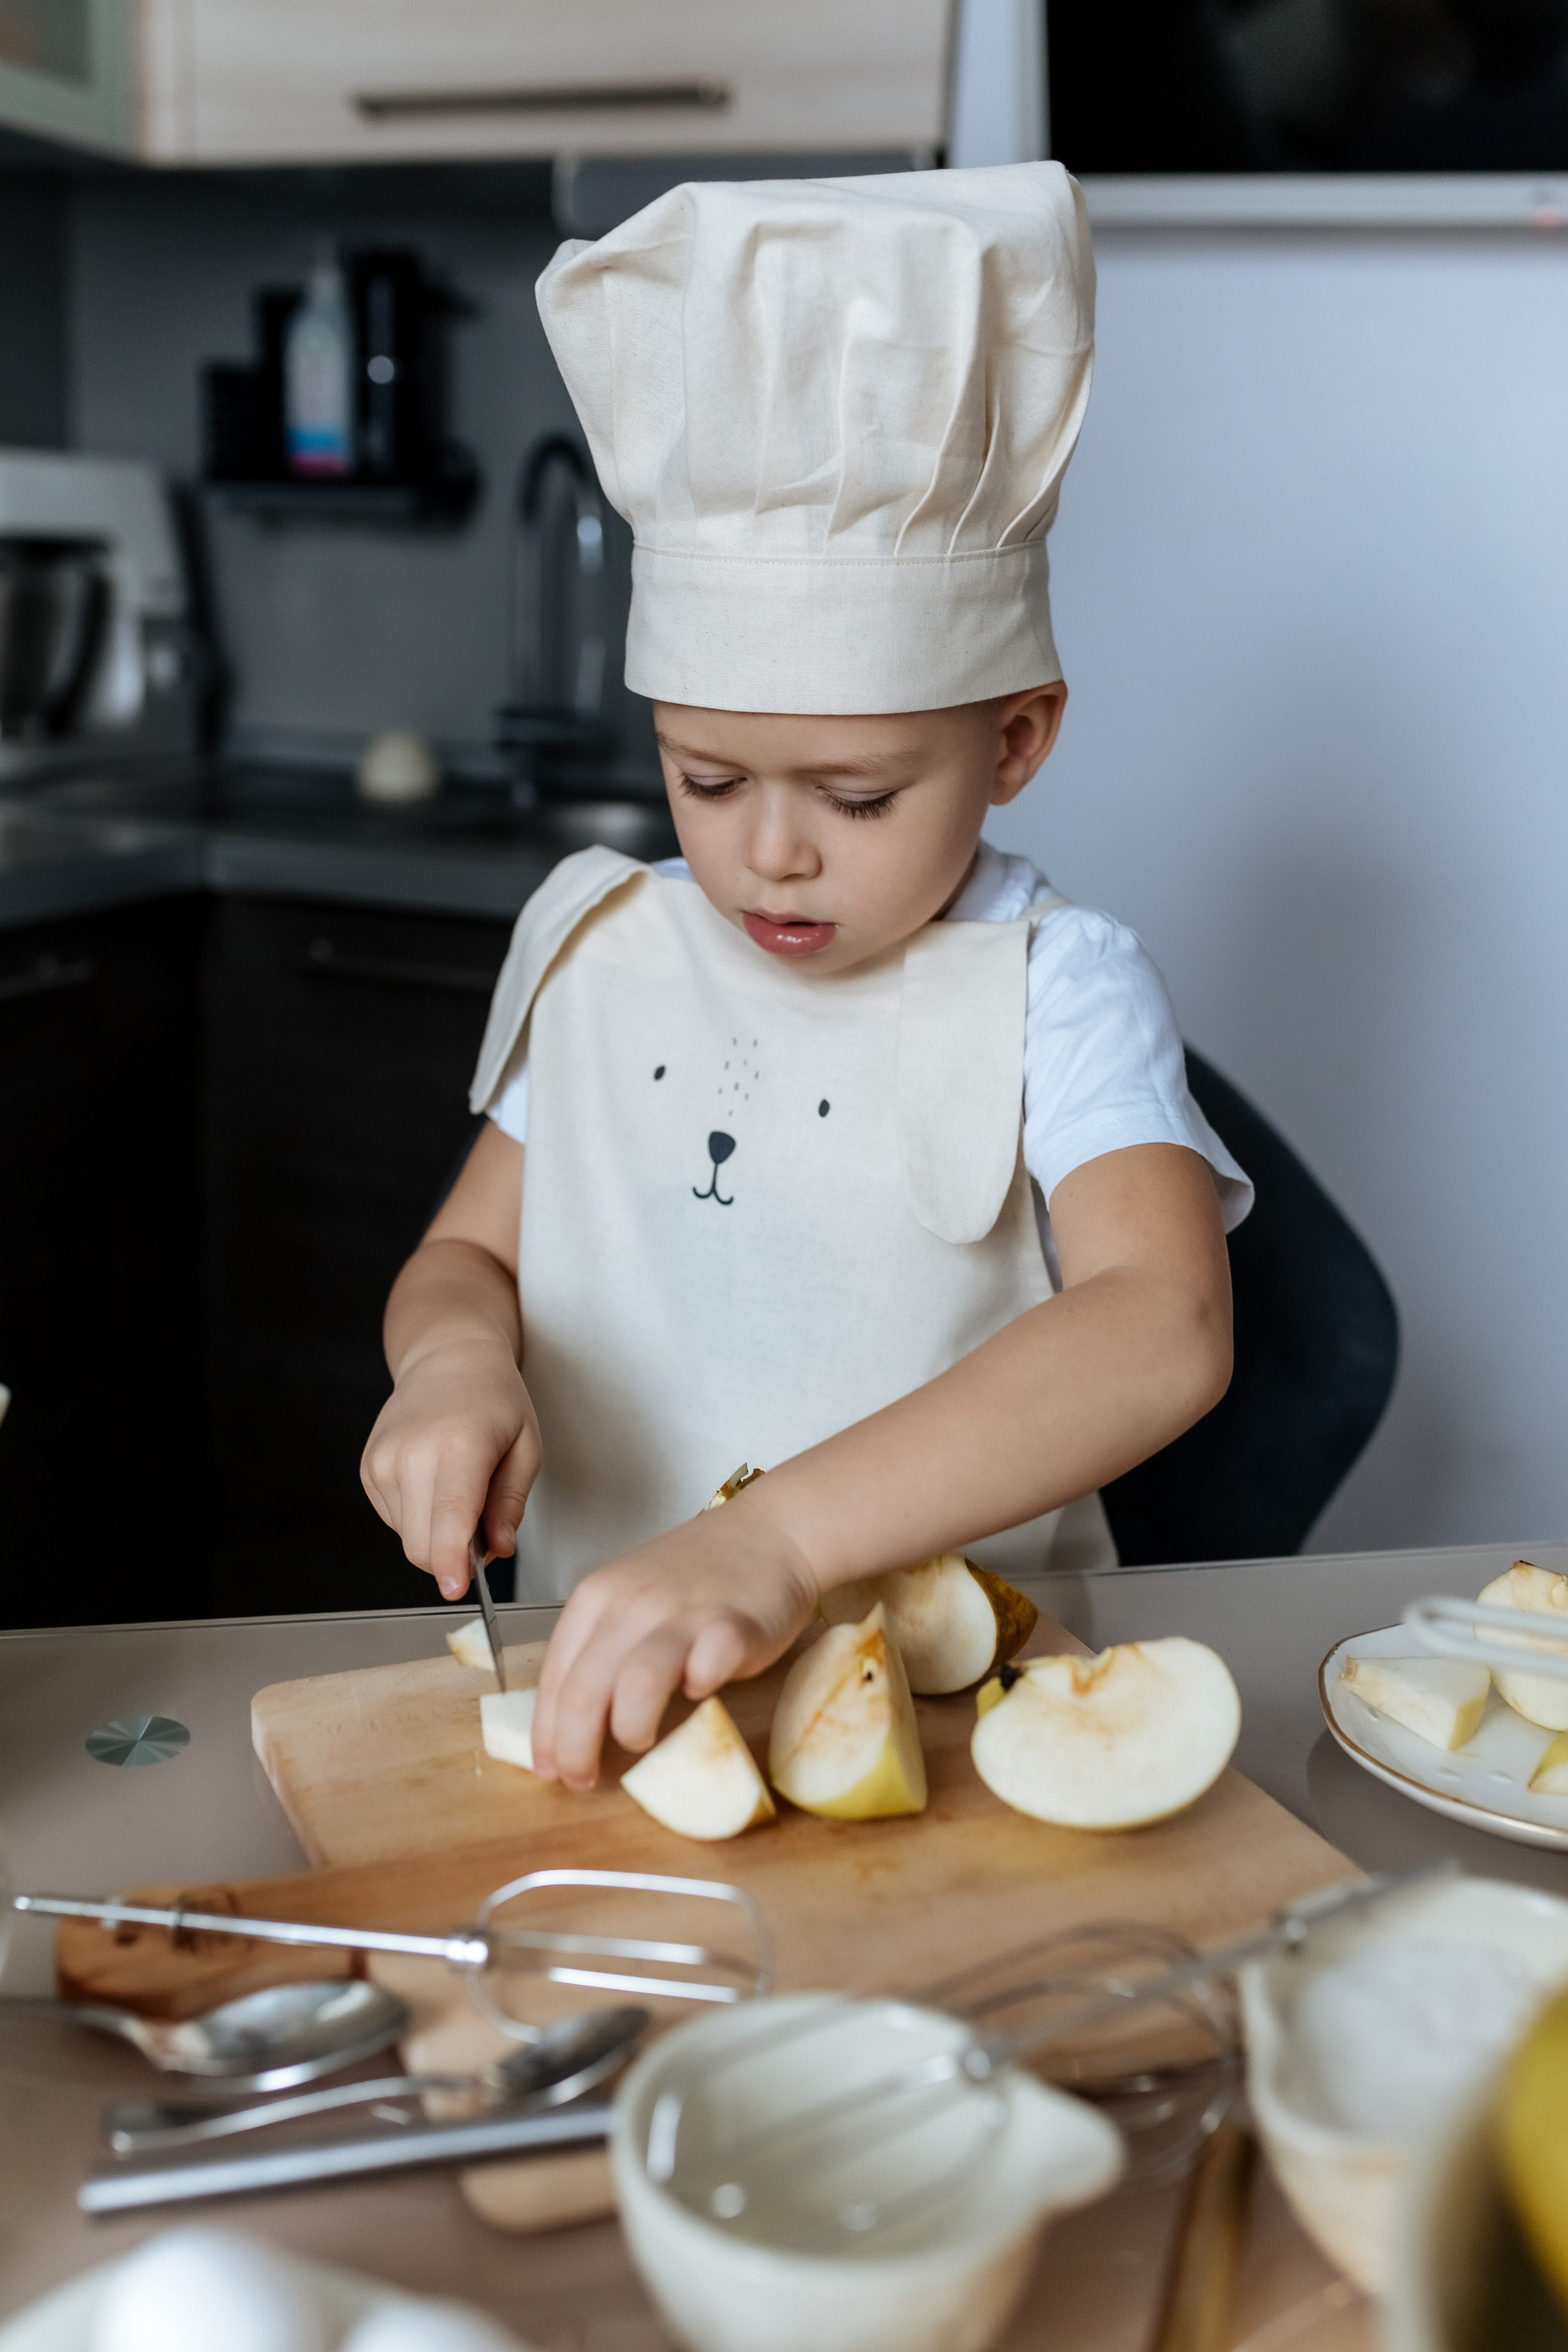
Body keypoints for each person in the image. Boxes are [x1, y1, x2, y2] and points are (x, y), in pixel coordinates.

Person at [361, 162, 1251, 1792]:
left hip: (964, 1722)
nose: (771, 854)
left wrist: (773, 1545)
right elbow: (462, 1258)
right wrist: (451, 1364)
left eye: (855, 800)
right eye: (705, 781)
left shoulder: (1058, 984)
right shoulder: (603, 948)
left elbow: (1164, 1323)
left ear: (1016, 739)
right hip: (620, 1716)